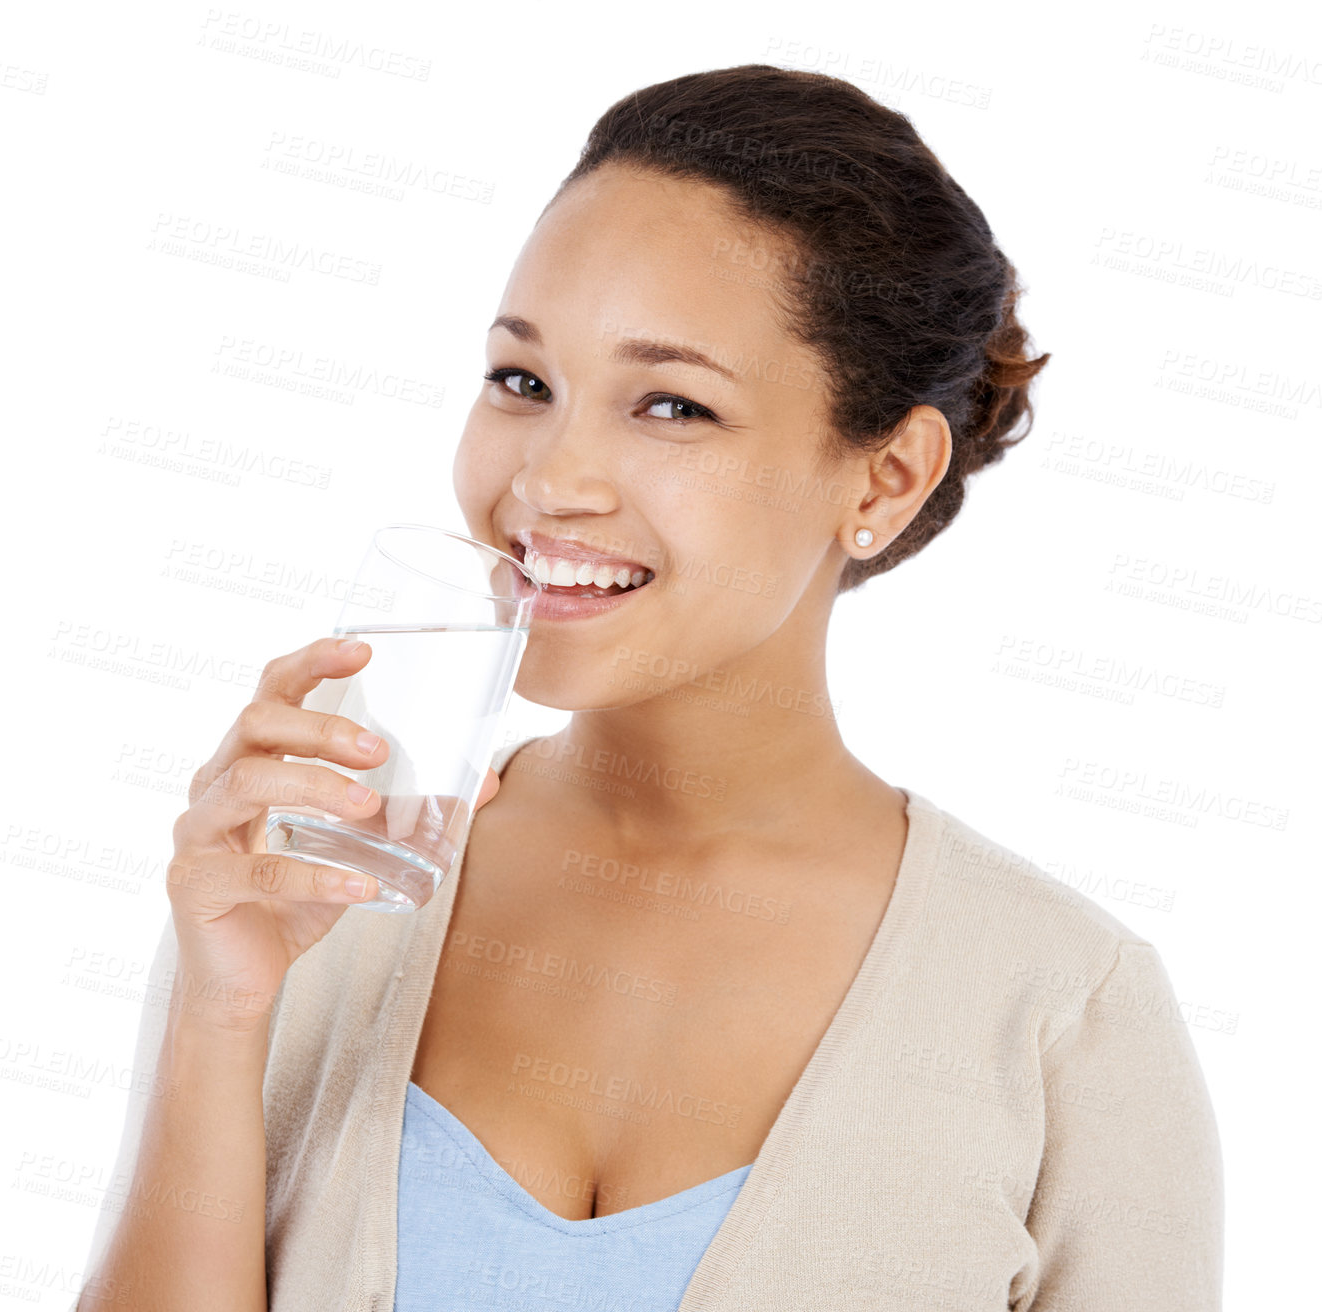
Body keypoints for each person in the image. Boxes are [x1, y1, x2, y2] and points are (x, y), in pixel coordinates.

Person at [74, 64, 1223, 1311]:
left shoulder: (1064, 1014)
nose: (551, 479)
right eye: (523, 382)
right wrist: (221, 1007)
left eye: (671, 404)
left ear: (885, 477)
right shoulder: (321, 883)